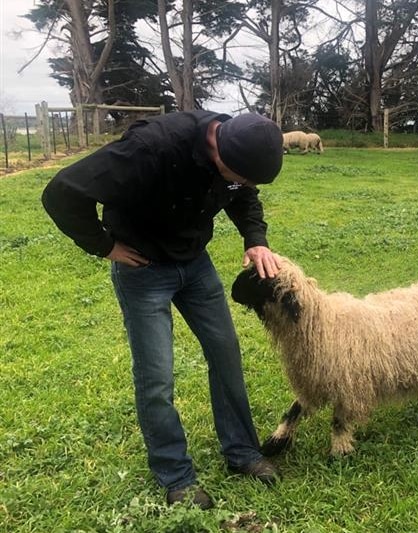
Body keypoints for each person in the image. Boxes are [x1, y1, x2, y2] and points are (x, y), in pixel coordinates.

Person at [41, 111, 285, 509]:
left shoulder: (236, 156)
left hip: (195, 263)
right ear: (219, 150)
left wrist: (255, 239)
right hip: (144, 268)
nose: (241, 186)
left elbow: (244, 195)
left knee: (226, 354)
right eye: (238, 177)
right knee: (157, 377)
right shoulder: (150, 147)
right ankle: (177, 478)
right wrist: (104, 246)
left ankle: (242, 453)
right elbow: (62, 191)